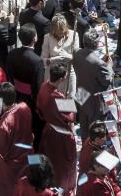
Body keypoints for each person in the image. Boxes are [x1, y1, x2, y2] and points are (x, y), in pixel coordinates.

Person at [0, 82, 34, 196]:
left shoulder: (4, 126)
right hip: (27, 158)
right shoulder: (25, 107)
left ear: (0, 100)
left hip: (9, 168)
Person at [36, 64, 78, 194]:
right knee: (64, 166)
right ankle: (62, 189)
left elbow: (39, 108)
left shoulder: (44, 87)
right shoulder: (57, 96)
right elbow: (71, 115)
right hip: (60, 135)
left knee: (50, 160)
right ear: (61, 79)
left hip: (48, 130)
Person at [73, 29, 113, 137]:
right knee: (96, 131)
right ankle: (94, 152)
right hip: (95, 100)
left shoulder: (76, 53)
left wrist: (101, 63)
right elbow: (107, 81)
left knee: (84, 125)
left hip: (81, 93)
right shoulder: (100, 64)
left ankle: (85, 148)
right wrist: (109, 66)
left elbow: (88, 65)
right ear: (95, 44)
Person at [6, 23, 45, 109]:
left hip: (15, 95)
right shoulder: (37, 61)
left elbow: (9, 75)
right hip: (30, 100)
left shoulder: (12, 53)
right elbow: (38, 87)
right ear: (35, 38)